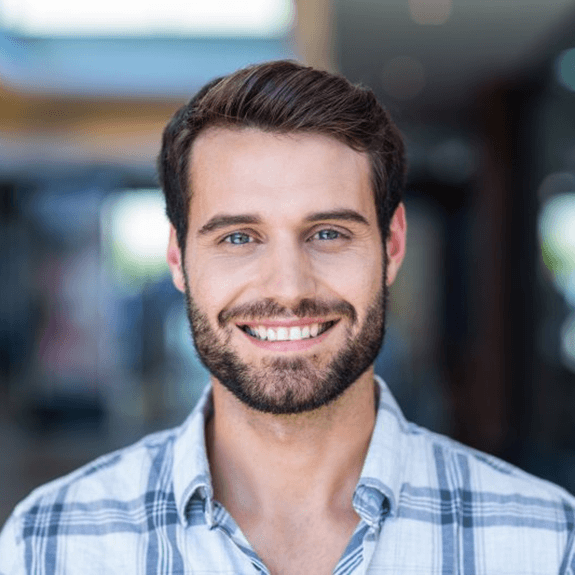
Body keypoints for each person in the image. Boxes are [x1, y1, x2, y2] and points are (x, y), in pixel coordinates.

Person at [1, 60, 574, 575]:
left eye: (328, 233)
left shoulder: (546, 543)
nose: (288, 288)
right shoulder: (52, 544)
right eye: (239, 237)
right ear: (178, 258)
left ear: (392, 245)